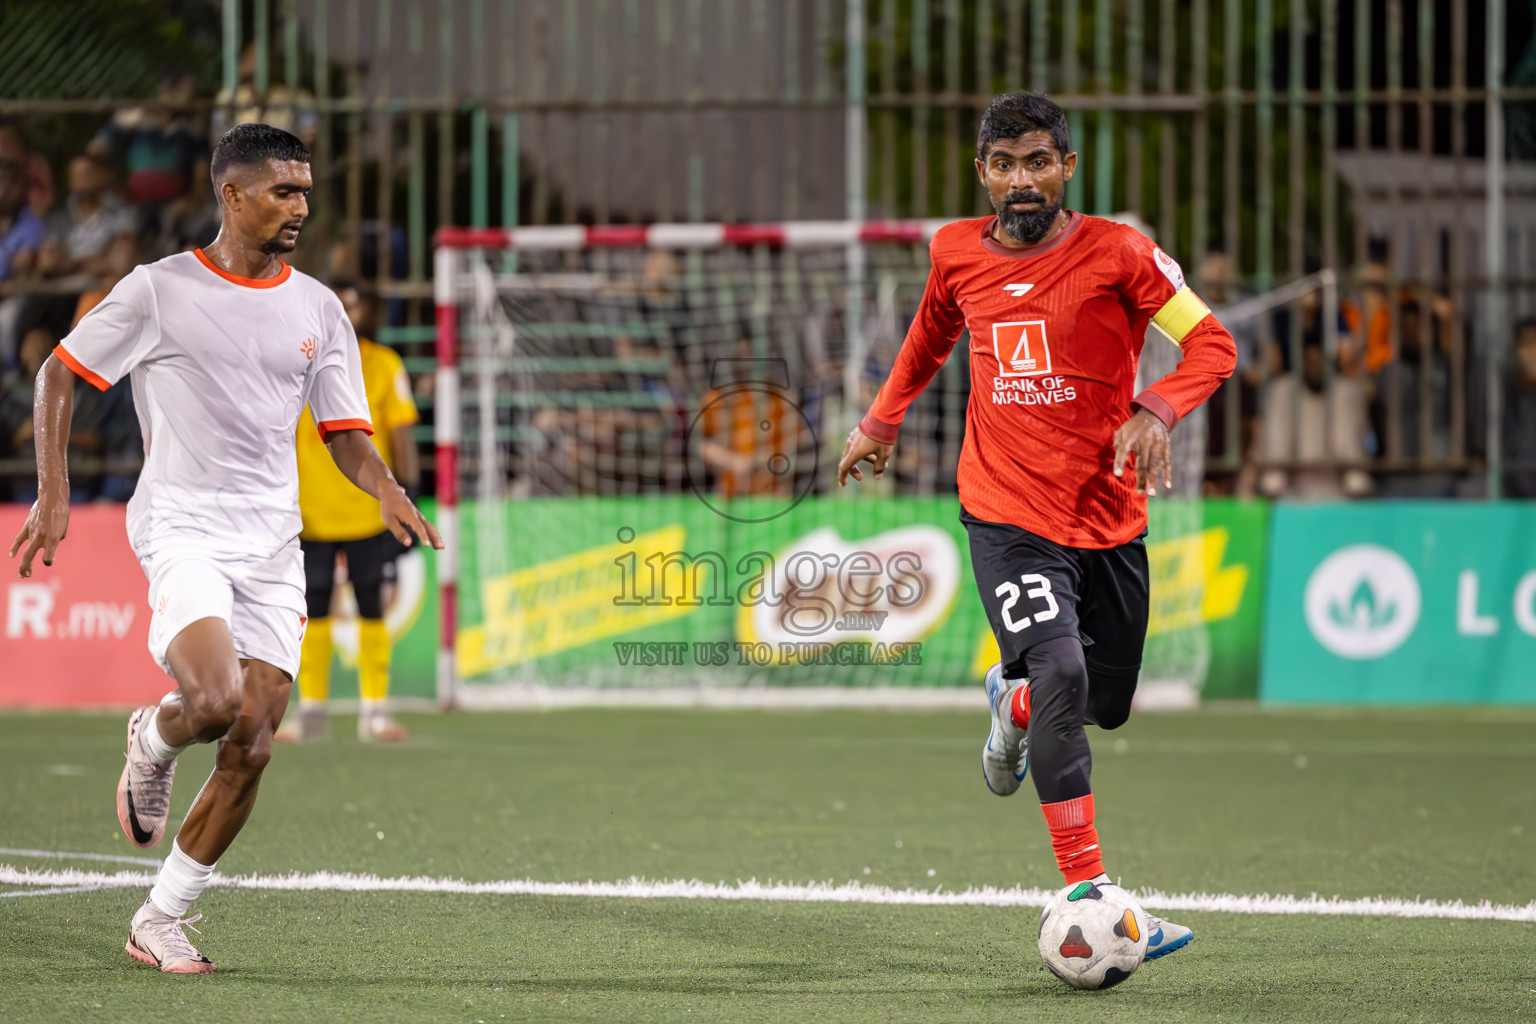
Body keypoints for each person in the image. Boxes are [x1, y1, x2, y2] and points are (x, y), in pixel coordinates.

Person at [8, 123, 441, 974]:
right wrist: (53, 490)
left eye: (306, 191)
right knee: (211, 702)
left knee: (253, 739)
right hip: (184, 525)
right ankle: (156, 739)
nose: (300, 206)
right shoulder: (159, 290)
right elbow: (57, 373)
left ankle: (159, 918)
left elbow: (345, 430)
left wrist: (385, 485)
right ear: (232, 195)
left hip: (273, 542)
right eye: (284, 190)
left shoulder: (318, 306)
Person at [837, 92, 1235, 961]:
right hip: (1004, 510)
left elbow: (1211, 345)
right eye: (1005, 164)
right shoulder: (953, 253)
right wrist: (881, 419)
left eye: (1039, 162)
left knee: (1105, 704)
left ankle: (1010, 701)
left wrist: (1157, 410)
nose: (1023, 180)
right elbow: (929, 334)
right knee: (1060, 665)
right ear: (982, 172)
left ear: (1068, 168)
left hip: (1108, 518)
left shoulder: (1123, 255)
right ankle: (1090, 893)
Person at [280, 279, 420, 743]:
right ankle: (313, 710)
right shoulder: (297, 361)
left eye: (355, 302)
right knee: (313, 607)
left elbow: (400, 434)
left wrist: (409, 491)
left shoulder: (384, 364)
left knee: (371, 605)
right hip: (312, 511)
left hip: (369, 508)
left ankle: (375, 711)